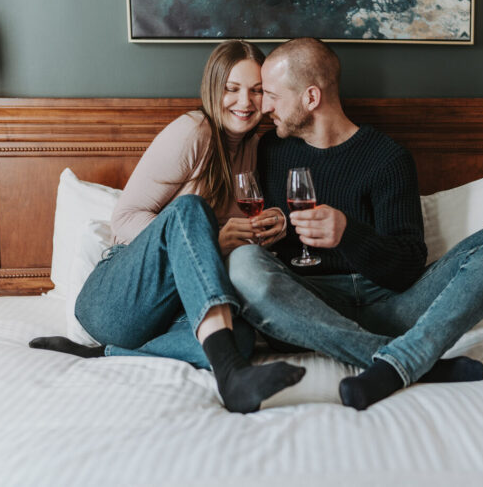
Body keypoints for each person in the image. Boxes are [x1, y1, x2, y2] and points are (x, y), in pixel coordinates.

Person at [228, 38, 483, 410]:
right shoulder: (270, 149)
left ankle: (396, 358)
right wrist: (265, 233)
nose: (264, 106)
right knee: (241, 264)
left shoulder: (387, 158)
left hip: (391, 305)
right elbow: (267, 264)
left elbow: (407, 268)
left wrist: (348, 234)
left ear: (311, 98)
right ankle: (409, 361)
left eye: (271, 94)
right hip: (307, 309)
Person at [29, 40, 305, 414]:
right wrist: (208, 237)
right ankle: (231, 377)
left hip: (170, 305)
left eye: (257, 91)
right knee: (189, 209)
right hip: (117, 297)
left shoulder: (255, 148)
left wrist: (264, 227)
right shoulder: (193, 132)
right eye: (232, 89)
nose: (246, 101)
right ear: (213, 88)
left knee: (238, 337)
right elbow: (124, 219)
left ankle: (106, 353)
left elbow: (223, 238)